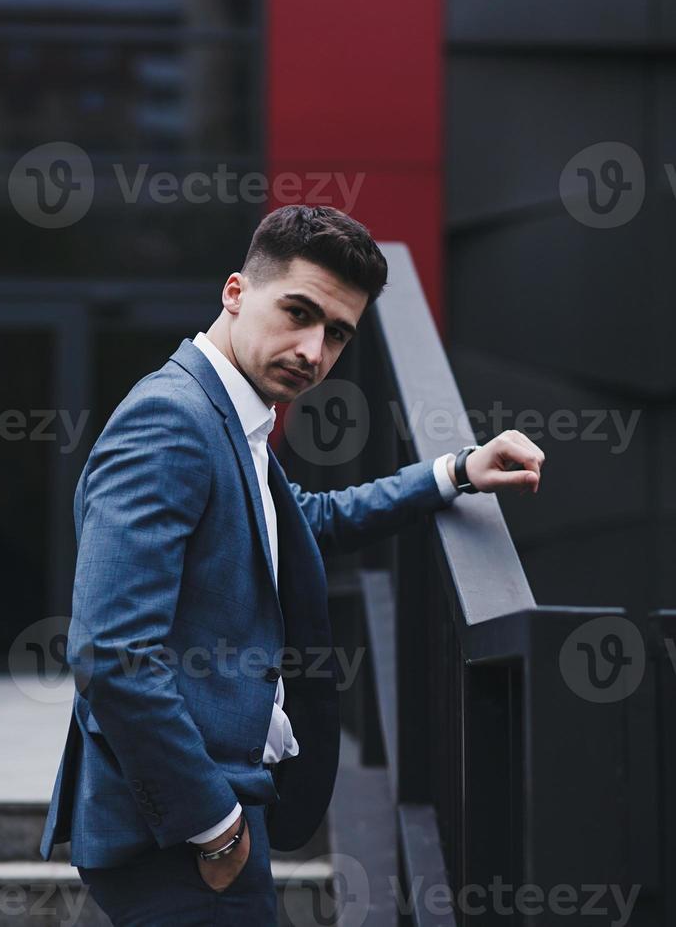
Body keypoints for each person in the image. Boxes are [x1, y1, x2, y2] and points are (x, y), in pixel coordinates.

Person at [39, 205, 544, 925]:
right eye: (298, 313)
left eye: (336, 333)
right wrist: (215, 827)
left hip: (216, 808)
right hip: (180, 829)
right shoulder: (171, 422)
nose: (313, 351)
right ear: (237, 292)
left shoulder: (227, 417)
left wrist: (454, 472)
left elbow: (301, 522)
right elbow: (112, 654)